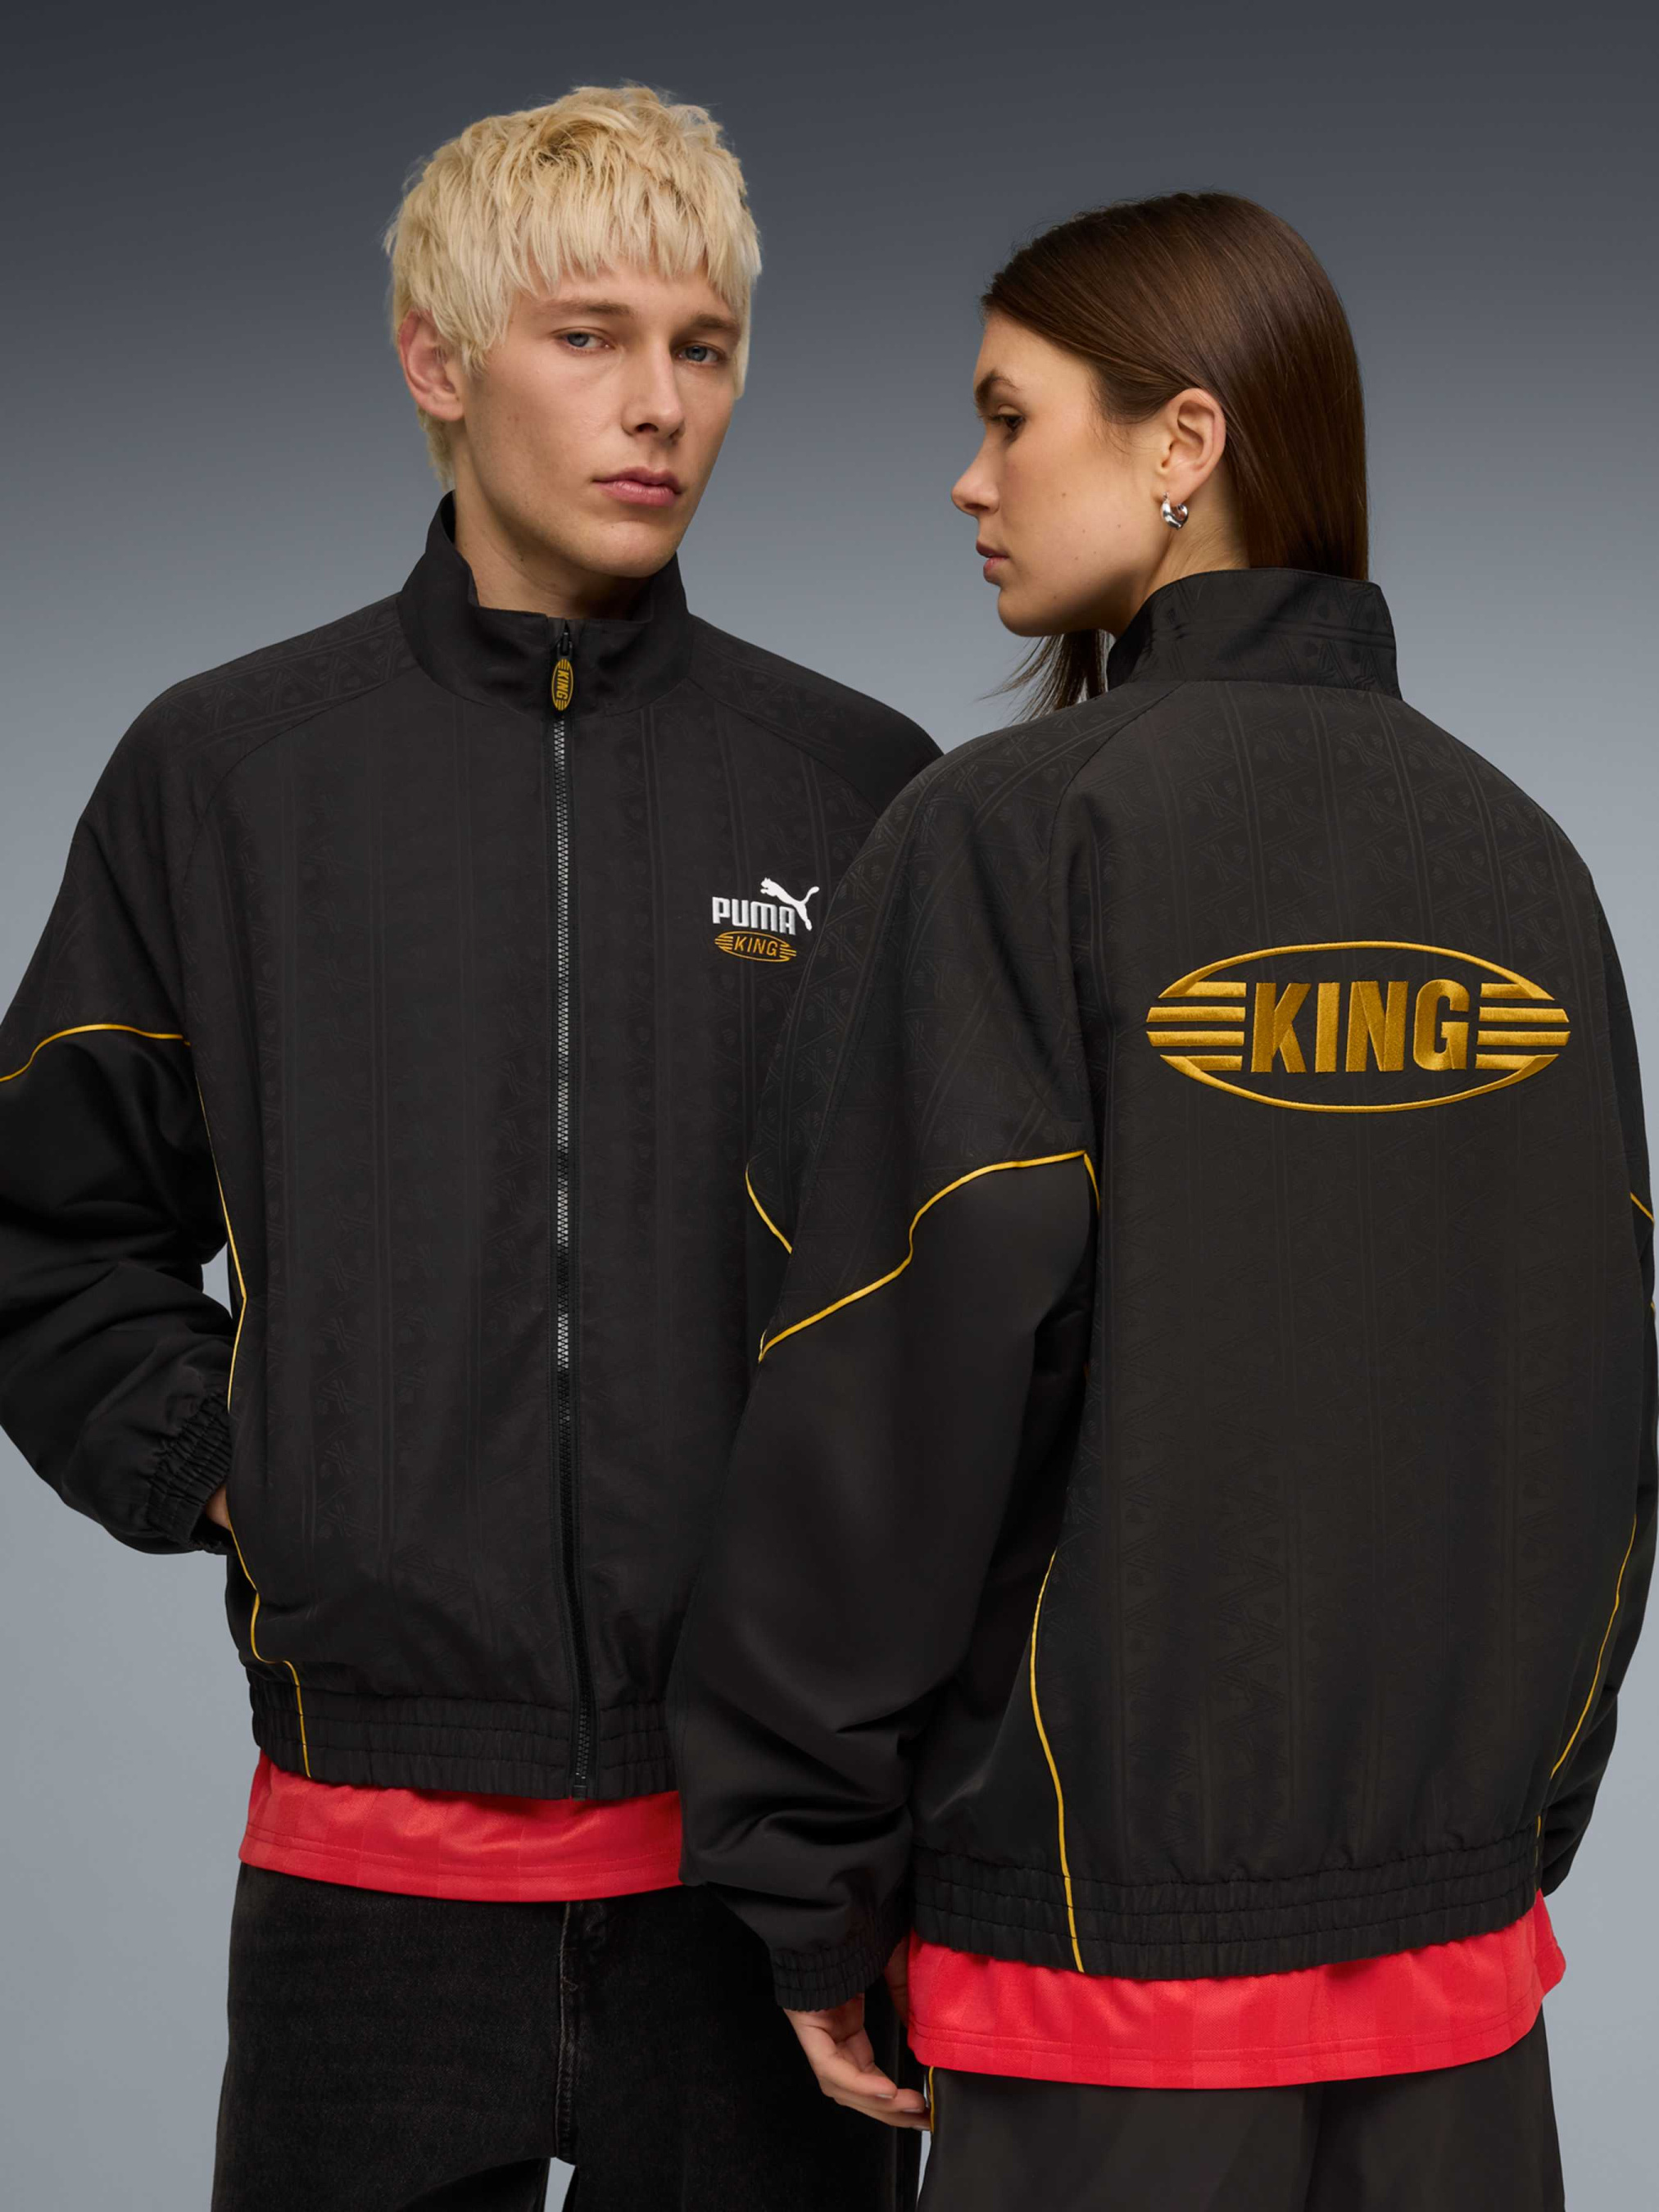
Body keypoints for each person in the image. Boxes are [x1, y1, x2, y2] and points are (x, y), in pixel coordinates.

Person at [0, 84, 935, 2212]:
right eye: (587, 336)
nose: (658, 403)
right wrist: (244, 1464)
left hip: (758, 1871)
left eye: (702, 347)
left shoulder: (854, 788)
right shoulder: (230, 775)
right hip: (367, 1867)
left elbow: (951, 1300)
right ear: (437, 361)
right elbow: (44, 1223)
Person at [670, 193, 1654, 2211]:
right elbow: (1596, 1408)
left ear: (1181, 442)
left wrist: (803, 1880)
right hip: (1457, 1998)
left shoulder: (1009, 837)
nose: (967, 480)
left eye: (1005, 416)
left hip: (1095, 1994)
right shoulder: (1524, 862)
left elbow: (877, 1388)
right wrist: (1505, 1826)